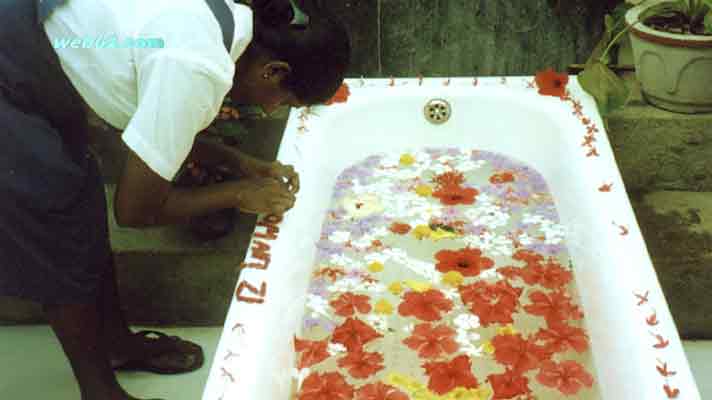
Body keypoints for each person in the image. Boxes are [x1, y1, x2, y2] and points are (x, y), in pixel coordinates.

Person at [0, 0, 350, 399]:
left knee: (80, 202)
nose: (272, 109)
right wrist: (237, 194)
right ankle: (100, 392)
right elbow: (134, 210)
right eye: (283, 101)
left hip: (33, 41)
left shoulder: (224, 21)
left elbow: (158, 123)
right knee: (57, 222)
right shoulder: (198, 65)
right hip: (10, 71)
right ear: (274, 71)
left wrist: (242, 164)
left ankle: (116, 344)